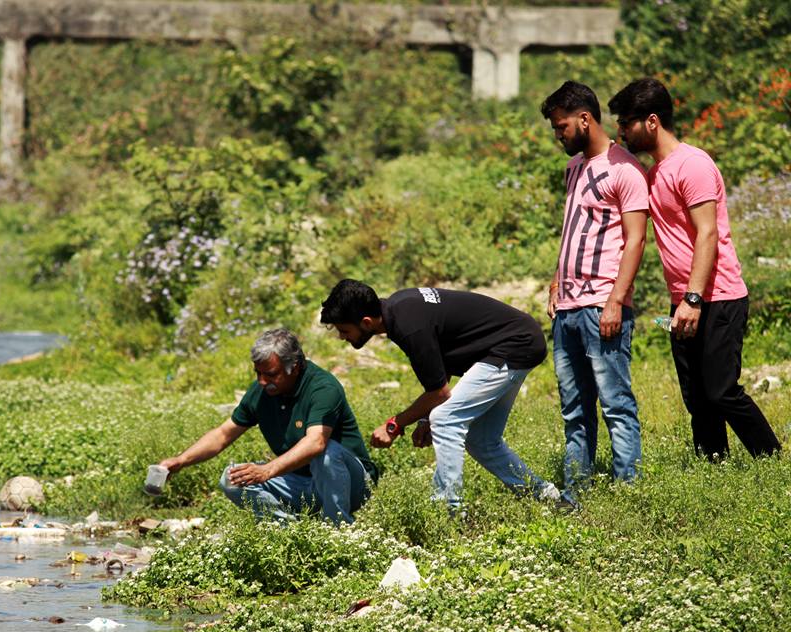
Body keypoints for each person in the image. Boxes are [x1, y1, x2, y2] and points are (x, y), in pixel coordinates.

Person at [608, 77, 781, 460]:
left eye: (626, 122)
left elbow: (708, 233)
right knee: (697, 396)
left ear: (652, 121)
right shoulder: (654, 174)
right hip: (684, 300)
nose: (621, 131)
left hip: (716, 296)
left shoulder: (693, 165)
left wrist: (692, 298)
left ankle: (770, 458)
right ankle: (713, 464)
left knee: (721, 390)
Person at [321, 279, 570, 510]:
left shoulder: (408, 325)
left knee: (445, 419)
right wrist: (423, 419)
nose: (342, 337)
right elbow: (440, 373)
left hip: (514, 345)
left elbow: (439, 393)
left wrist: (393, 425)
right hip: (516, 342)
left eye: (344, 330)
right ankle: (548, 497)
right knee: (481, 440)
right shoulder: (400, 308)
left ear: (366, 322)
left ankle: (447, 511)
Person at [540, 81, 648, 499]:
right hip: (567, 308)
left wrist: (616, 301)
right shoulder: (574, 168)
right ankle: (576, 496)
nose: (558, 134)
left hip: (602, 304)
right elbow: (573, 230)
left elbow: (636, 240)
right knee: (574, 411)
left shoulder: (625, 169)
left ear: (585, 119)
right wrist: (556, 280)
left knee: (615, 404)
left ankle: (627, 496)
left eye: (562, 126)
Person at [158, 328, 376, 525]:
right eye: (258, 373)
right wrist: (181, 461)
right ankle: (289, 532)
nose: (262, 381)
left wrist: (266, 470)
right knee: (232, 479)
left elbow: (316, 442)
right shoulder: (262, 391)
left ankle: (338, 529)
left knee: (326, 453)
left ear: (295, 367)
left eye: (271, 374)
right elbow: (223, 434)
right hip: (302, 483)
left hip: (351, 485)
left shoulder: (323, 387)